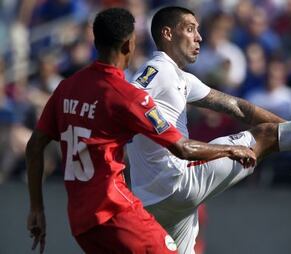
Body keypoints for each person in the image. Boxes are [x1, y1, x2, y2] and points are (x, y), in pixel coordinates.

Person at [127, 6, 291, 254]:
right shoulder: (156, 70)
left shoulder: (180, 78)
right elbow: (128, 100)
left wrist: (290, 132)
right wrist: (286, 135)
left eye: (198, 29)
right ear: (167, 33)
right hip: (175, 182)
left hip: (154, 199)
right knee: (264, 137)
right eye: (190, 29)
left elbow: (239, 108)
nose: (199, 37)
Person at [25, 8, 256, 254]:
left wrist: (36, 208)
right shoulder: (127, 97)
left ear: (95, 42)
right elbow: (182, 148)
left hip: (80, 221)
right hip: (113, 210)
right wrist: (231, 148)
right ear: (129, 45)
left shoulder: (66, 88)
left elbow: (34, 146)